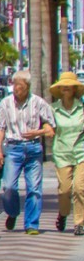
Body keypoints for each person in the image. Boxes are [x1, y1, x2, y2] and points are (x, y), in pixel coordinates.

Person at [0, 70, 56, 234]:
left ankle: (31, 224)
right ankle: (13, 212)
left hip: (33, 148)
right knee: (9, 187)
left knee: (34, 189)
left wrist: (38, 132)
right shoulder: (5, 103)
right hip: (13, 148)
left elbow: (51, 129)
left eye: (20, 86)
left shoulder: (38, 103)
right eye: (14, 85)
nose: (16, 89)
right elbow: (0, 128)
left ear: (27, 87)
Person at [51, 72, 84, 235]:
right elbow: (49, 127)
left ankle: (79, 223)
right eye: (63, 85)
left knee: (79, 188)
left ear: (74, 88)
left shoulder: (82, 108)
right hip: (62, 154)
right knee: (64, 191)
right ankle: (63, 214)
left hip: (81, 153)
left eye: (69, 85)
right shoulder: (54, 109)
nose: (66, 87)